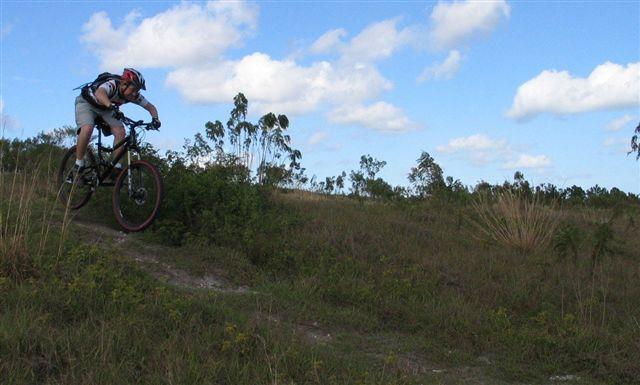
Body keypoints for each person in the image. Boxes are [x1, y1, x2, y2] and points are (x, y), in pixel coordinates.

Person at [73, 68, 161, 179]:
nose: (135, 93)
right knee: (87, 129)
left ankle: (116, 167)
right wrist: (110, 105)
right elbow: (100, 93)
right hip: (86, 103)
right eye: (133, 89)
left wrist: (155, 119)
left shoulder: (134, 95)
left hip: (106, 108)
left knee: (120, 132)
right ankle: (79, 163)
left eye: (137, 90)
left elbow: (151, 107)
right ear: (124, 84)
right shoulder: (112, 85)